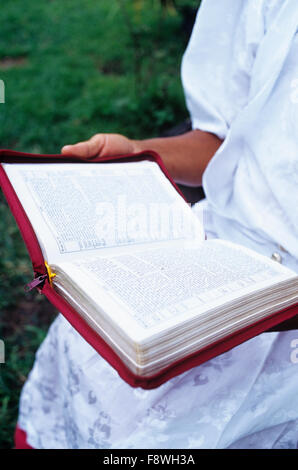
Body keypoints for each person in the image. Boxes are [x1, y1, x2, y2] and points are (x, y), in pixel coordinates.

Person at [16, 0, 298, 449]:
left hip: (288, 310)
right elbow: (221, 142)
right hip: (223, 243)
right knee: (96, 355)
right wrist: (139, 155)